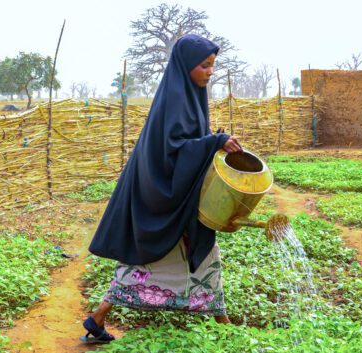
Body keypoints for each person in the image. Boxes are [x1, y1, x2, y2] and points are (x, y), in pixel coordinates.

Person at [80, 34, 243, 344]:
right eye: (205, 66)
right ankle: (224, 325)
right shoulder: (176, 99)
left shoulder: (189, 96)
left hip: (176, 195)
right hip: (160, 191)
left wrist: (212, 143)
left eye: (212, 66)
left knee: (158, 259)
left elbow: (187, 143)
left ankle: (97, 317)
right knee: (200, 253)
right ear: (186, 66)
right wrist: (213, 142)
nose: (210, 72)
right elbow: (172, 149)